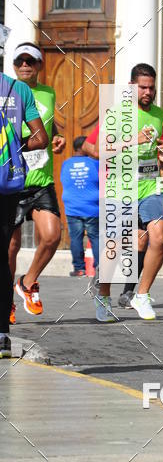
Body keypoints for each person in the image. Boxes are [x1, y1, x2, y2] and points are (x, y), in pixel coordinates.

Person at [89, 63, 163, 322]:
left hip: (149, 185)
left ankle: (142, 295)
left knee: (158, 235)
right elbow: (97, 149)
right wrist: (131, 140)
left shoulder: (158, 114)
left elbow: (159, 155)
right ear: (131, 87)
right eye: (142, 87)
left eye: (151, 87)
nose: (147, 92)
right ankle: (103, 295)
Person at [8, 42, 66, 320]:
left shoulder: (49, 93)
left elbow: (46, 123)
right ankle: (6, 299)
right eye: (20, 61)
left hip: (41, 179)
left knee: (53, 235)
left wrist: (56, 136)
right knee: (11, 245)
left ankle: (27, 282)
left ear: (40, 65)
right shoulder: (6, 91)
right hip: (12, 180)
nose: (24, 65)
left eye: (30, 61)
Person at [0, 29, 48, 356]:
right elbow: (41, 138)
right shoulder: (19, 90)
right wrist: (16, 148)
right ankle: (2, 334)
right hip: (8, 184)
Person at [60, 135, 100, 276]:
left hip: (72, 207)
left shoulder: (66, 163)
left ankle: (79, 269)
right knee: (95, 238)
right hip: (92, 207)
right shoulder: (95, 163)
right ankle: (100, 267)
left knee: (76, 238)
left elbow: (64, 180)